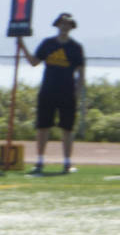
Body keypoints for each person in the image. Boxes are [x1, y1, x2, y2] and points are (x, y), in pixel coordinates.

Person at [20, 12, 85, 176]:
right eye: (62, 23)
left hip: (67, 93)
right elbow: (34, 62)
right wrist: (22, 46)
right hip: (48, 91)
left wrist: (77, 93)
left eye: (68, 24)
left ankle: (67, 163)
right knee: (43, 127)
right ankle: (40, 161)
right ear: (57, 25)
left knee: (67, 129)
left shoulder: (76, 48)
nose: (64, 27)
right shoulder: (47, 44)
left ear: (71, 27)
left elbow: (81, 73)